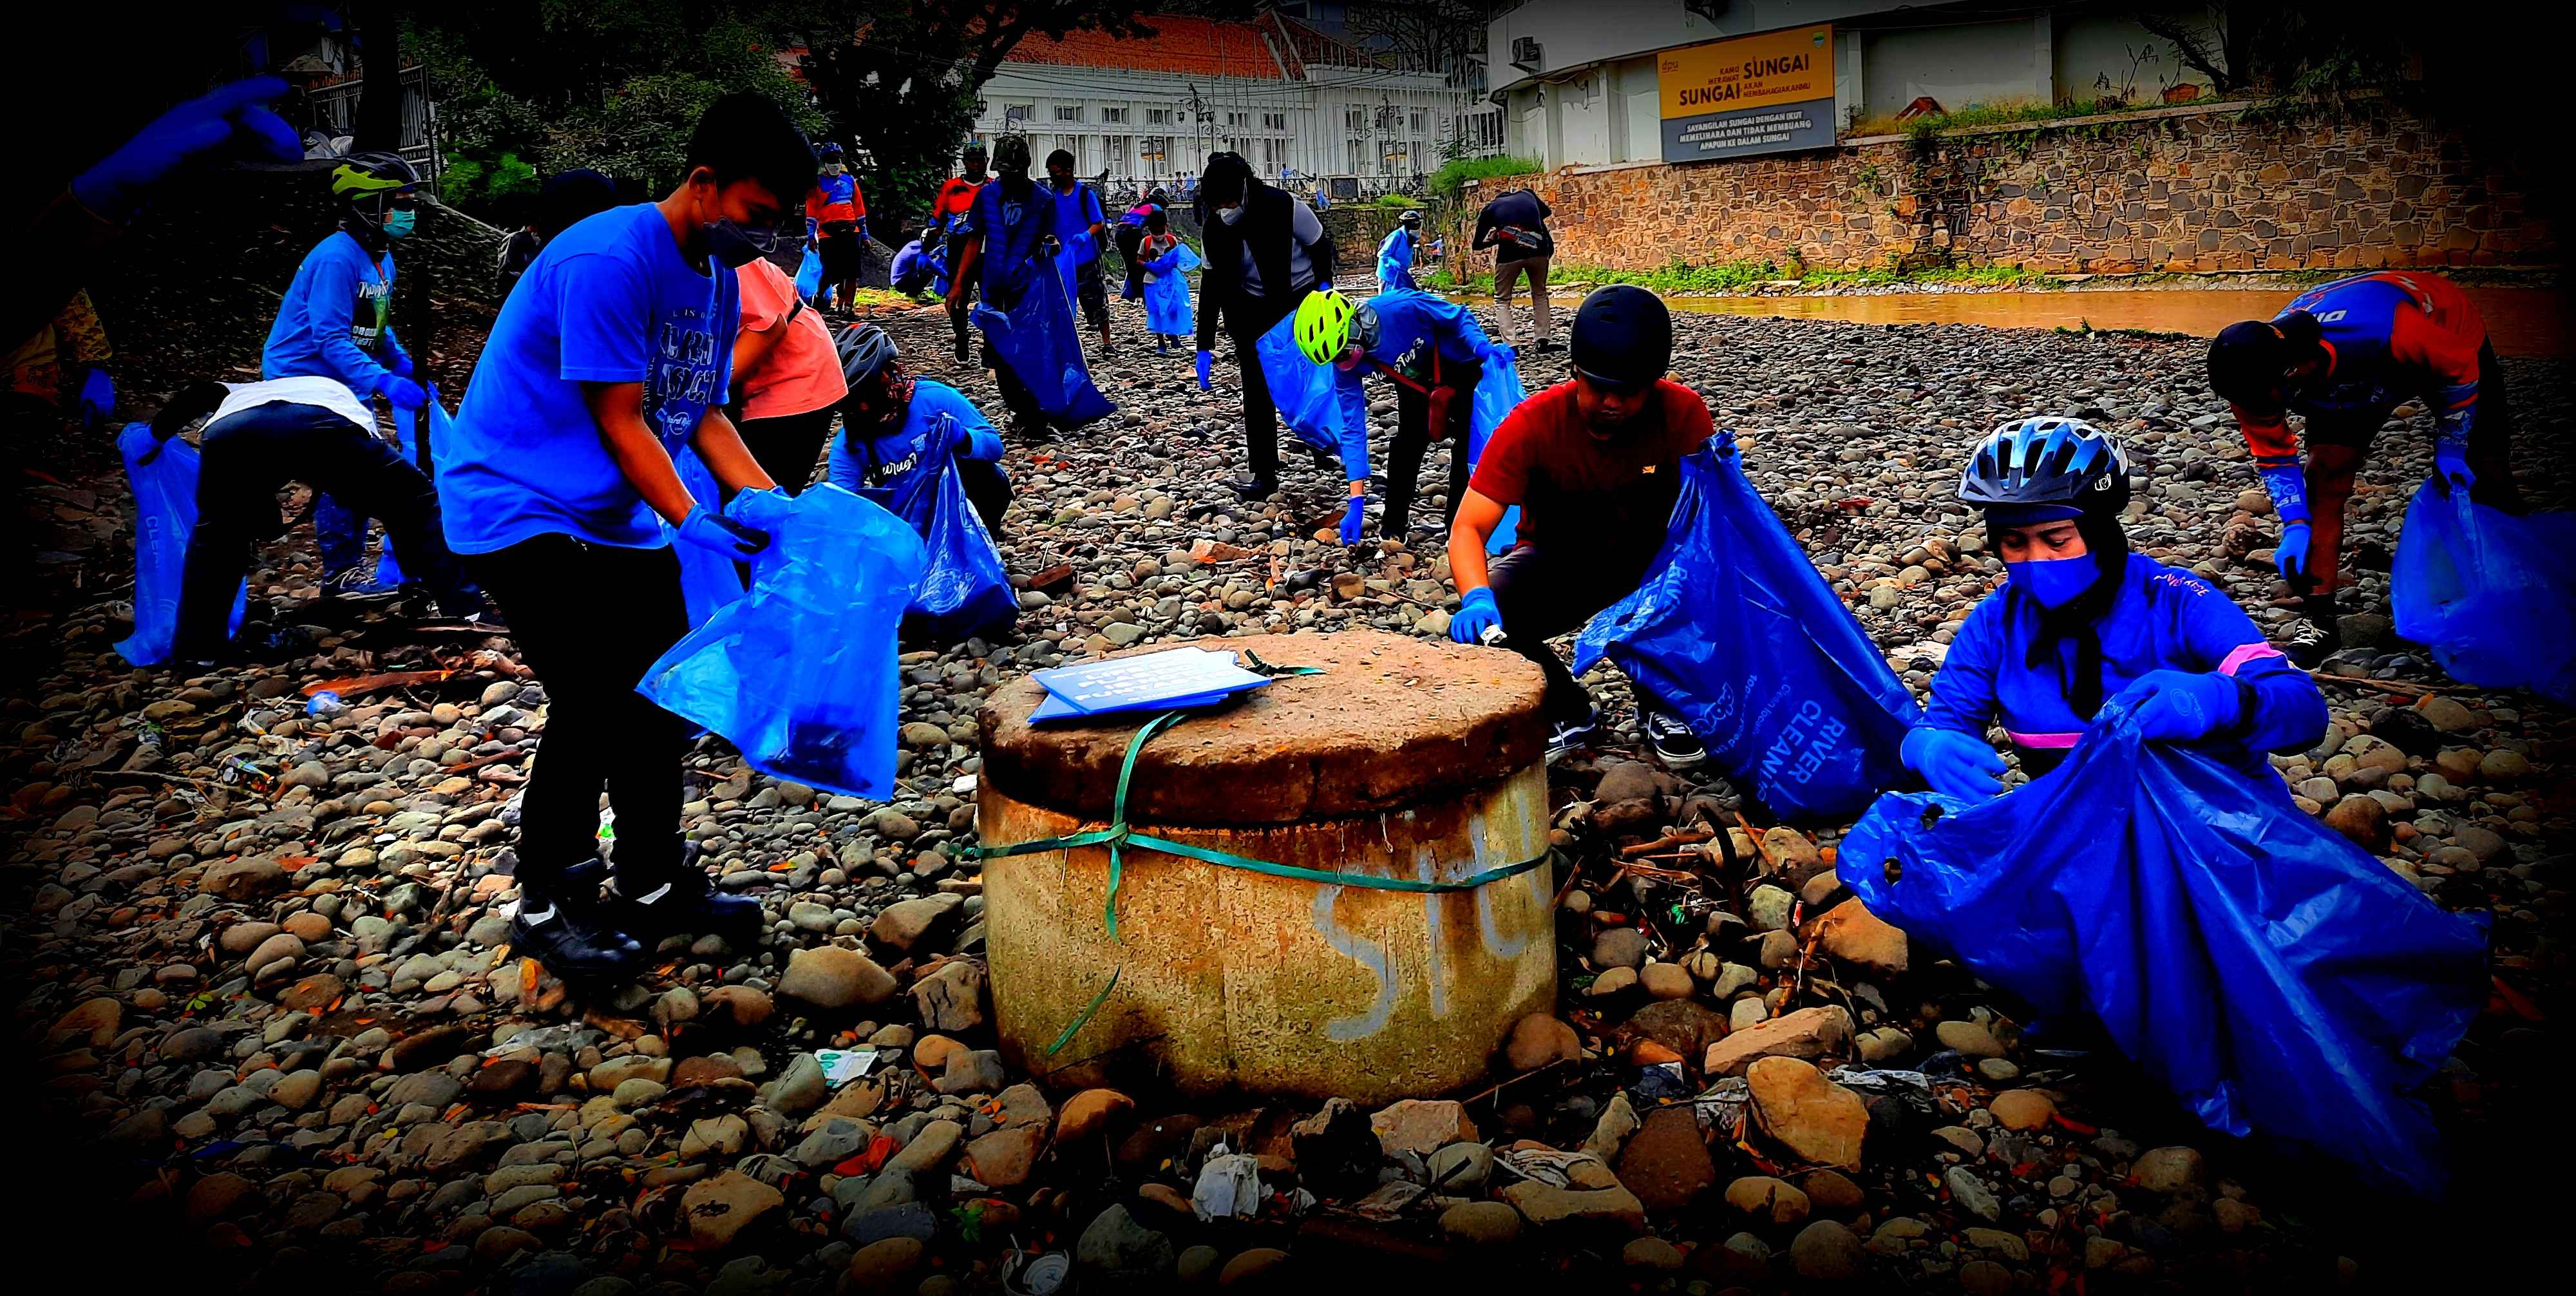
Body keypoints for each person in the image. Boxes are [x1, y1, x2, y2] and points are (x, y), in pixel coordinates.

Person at [435, 93, 814, 978]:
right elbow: (619, 417)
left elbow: (702, 409)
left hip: (613, 511)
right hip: (516, 503)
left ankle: (650, 880)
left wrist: (770, 506)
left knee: (662, 691)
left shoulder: (717, 278)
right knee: (595, 696)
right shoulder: (611, 258)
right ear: (704, 182)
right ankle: (547, 901)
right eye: (757, 216)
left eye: (779, 224)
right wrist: (693, 522)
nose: (764, 238)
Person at [1899, 416, 2327, 799]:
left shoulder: (2175, 599)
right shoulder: (1996, 625)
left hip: (2217, 830)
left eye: (2056, 538)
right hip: (2080, 840)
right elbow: (1945, 722)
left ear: (2100, 531)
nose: (2035, 560)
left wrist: (2222, 700)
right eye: (2014, 543)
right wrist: (1927, 746)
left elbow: (2304, 711)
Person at [1446, 286, 1708, 767]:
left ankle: (1664, 702)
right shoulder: (1532, 425)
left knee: (1709, 585)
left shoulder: (1682, 414)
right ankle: (1568, 710)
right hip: (1559, 559)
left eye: (1629, 392)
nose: (1612, 402)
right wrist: (1476, 598)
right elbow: (1468, 528)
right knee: (1491, 617)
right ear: (1574, 373)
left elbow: (1717, 517)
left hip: (1648, 565)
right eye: (1598, 387)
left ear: (1654, 382)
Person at [2207, 271, 2522, 665]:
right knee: (2325, 476)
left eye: (2264, 398)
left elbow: (2459, 370)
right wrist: (2295, 525)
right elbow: (2276, 457)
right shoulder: (2249, 381)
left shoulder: (2390, 332)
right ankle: (2320, 618)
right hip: (2343, 375)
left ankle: (2519, 584)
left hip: (2441, 330)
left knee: (2485, 469)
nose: (2257, 409)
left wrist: (2453, 446)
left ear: (2292, 372)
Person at [146, 374, 486, 662]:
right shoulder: (334, 393)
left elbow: (197, 395)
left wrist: (152, 440)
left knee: (217, 537)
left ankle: (196, 649)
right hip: (324, 426)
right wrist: (413, 569)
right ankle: (465, 609)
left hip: (229, 436)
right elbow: (389, 505)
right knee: (414, 502)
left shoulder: (239, 392)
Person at [261, 150, 430, 603]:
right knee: (346, 472)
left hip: (345, 381)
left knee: (359, 470)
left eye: (411, 201)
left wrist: (400, 362)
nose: (408, 212)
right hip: (304, 380)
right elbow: (329, 337)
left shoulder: (380, 258)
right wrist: (385, 382)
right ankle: (340, 575)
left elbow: (373, 321)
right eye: (399, 201)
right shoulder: (337, 259)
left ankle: (358, 570)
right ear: (365, 204)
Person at [1295, 287, 1510, 544]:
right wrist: (1356, 501)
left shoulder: (1402, 306)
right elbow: (1353, 428)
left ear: (1354, 324)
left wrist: (1481, 347)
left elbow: (1457, 316)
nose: (1343, 364)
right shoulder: (1345, 367)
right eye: (1334, 360)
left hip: (1461, 366)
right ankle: (1393, 526)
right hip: (1413, 380)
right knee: (1407, 445)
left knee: (1467, 444)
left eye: (1343, 353)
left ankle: (1459, 528)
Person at [1193, 151, 1336, 500]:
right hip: (1249, 309)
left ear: (1242, 189)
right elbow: (1210, 286)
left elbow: (1320, 247)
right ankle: (1264, 472)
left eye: (1228, 201)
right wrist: (1204, 345)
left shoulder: (1286, 206)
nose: (1223, 209)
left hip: (1300, 300)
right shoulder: (1214, 227)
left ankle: (1323, 446)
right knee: (1256, 392)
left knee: (1309, 380)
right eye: (1216, 204)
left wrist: (1325, 292)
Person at [825, 324, 1010, 538]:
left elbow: (994, 446)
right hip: (904, 522)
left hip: (954, 501)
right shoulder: (851, 441)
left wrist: (963, 439)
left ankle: (977, 542)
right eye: (854, 401)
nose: (864, 407)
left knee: (990, 479)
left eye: (869, 393)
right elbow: (843, 502)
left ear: (889, 373)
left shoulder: (935, 399)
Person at [945, 135, 1066, 434]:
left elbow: (1054, 240)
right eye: (1004, 171)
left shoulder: (1043, 200)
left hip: (1030, 288)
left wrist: (1051, 244)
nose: (1008, 176)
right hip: (994, 285)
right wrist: (959, 284)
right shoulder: (987, 197)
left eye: (1013, 170)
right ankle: (1021, 410)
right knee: (999, 352)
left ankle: (1035, 411)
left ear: (1025, 167)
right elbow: (974, 241)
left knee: (1033, 348)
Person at [730, 251, 848, 494]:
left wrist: (698, 393)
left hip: (797, 378)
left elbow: (769, 326)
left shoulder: (726, 257)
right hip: (753, 382)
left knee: (757, 498)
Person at [1472, 186, 1557, 353]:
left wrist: (1497, 238)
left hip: (1509, 256)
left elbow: (1477, 245)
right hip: (1539, 251)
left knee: (1502, 299)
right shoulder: (1528, 194)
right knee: (1539, 293)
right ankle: (1542, 340)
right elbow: (1544, 215)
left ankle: (1511, 345)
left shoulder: (1490, 209)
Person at [931, 144, 989, 364]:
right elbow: (938, 220)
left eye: (980, 160)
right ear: (965, 162)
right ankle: (961, 337)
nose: (976, 164)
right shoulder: (951, 187)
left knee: (990, 298)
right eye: (972, 160)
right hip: (957, 246)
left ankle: (989, 345)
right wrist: (925, 248)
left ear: (986, 160)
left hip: (987, 248)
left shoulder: (993, 188)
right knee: (958, 297)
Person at [1045, 149, 1110, 345]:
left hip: (1087, 256)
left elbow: (1098, 223)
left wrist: (1085, 236)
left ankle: (1107, 342)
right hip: (1063, 259)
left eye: (1055, 171)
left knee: (1096, 300)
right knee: (1062, 302)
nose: (1052, 176)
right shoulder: (1052, 197)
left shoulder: (1084, 194)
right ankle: (1065, 343)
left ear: (1068, 171)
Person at [805, 142, 869, 314]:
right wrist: (811, 236)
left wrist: (865, 235)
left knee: (852, 273)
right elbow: (811, 212)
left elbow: (859, 209)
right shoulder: (817, 184)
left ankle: (847, 307)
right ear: (824, 162)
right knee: (831, 272)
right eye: (831, 160)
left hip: (851, 230)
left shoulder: (850, 181)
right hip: (827, 233)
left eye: (837, 160)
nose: (835, 163)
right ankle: (819, 298)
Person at [1137, 209, 1196, 356]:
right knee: (1156, 312)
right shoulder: (1146, 242)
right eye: (1154, 232)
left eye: (1160, 231)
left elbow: (1177, 257)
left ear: (1166, 226)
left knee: (1172, 308)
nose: (1158, 235)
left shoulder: (1171, 240)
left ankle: (1173, 335)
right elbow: (1138, 260)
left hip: (1170, 281)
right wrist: (1149, 265)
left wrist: (1170, 264)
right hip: (1152, 281)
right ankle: (1161, 342)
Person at [1115, 186, 1170, 301]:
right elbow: (1160, 229)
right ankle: (1144, 296)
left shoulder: (1138, 205)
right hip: (1132, 232)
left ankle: (1129, 294)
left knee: (1131, 265)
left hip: (1119, 233)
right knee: (1143, 264)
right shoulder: (1155, 207)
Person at [1377, 210, 1423, 292]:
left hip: (1401, 273)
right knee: (1388, 300)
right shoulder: (1397, 235)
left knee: (1412, 294)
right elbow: (1383, 254)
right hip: (1388, 274)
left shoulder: (1410, 238)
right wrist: (1392, 262)